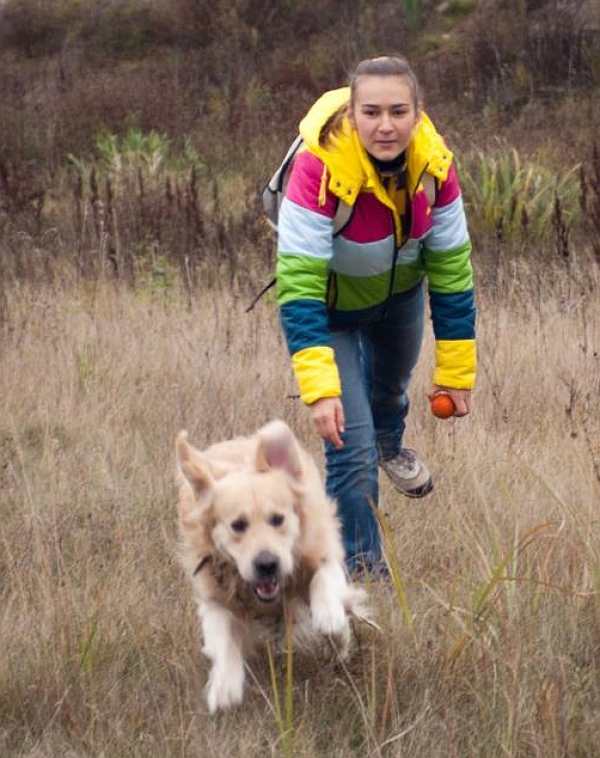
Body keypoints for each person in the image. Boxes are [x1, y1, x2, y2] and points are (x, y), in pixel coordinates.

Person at [275, 55, 476, 577]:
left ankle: (392, 442)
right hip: (332, 311)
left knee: (389, 395)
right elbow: (299, 290)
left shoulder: (435, 167)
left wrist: (455, 375)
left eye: (397, 111)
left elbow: (453, 273)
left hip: (400, 299)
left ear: (417, 113)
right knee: (350, 446)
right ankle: (359, 573)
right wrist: (320, 390)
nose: (385, 125)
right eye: (371, 112)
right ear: (352, 113)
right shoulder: (317, 170)